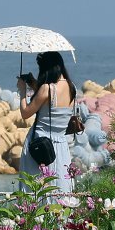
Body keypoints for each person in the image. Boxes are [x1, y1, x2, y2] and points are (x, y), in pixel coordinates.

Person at [17, 50, 75, 194]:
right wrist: (33, 83)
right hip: (60, 146)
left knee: (35, 189)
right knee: (59, 186)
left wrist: (22, 91)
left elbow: (25, 113)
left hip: (40, 145)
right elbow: (50, 101)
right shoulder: (71, 87)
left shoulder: (46, 88)